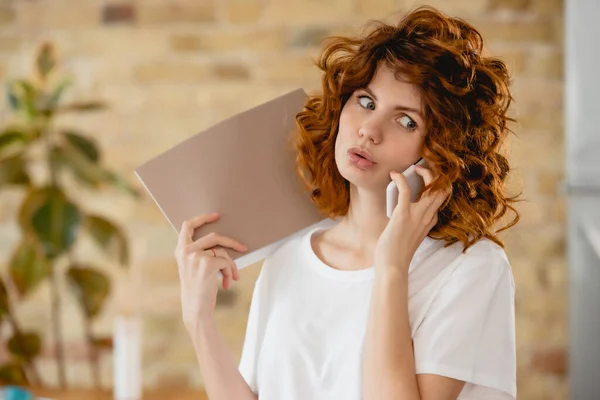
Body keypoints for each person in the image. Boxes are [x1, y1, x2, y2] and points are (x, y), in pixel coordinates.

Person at [175, 5, 521, 400]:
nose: (370, 130)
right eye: (366, 101)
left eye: (406, 120)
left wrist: (391, 266)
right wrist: (198, 320)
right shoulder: (290, 254)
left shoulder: (470, 268)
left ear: (442, 150)